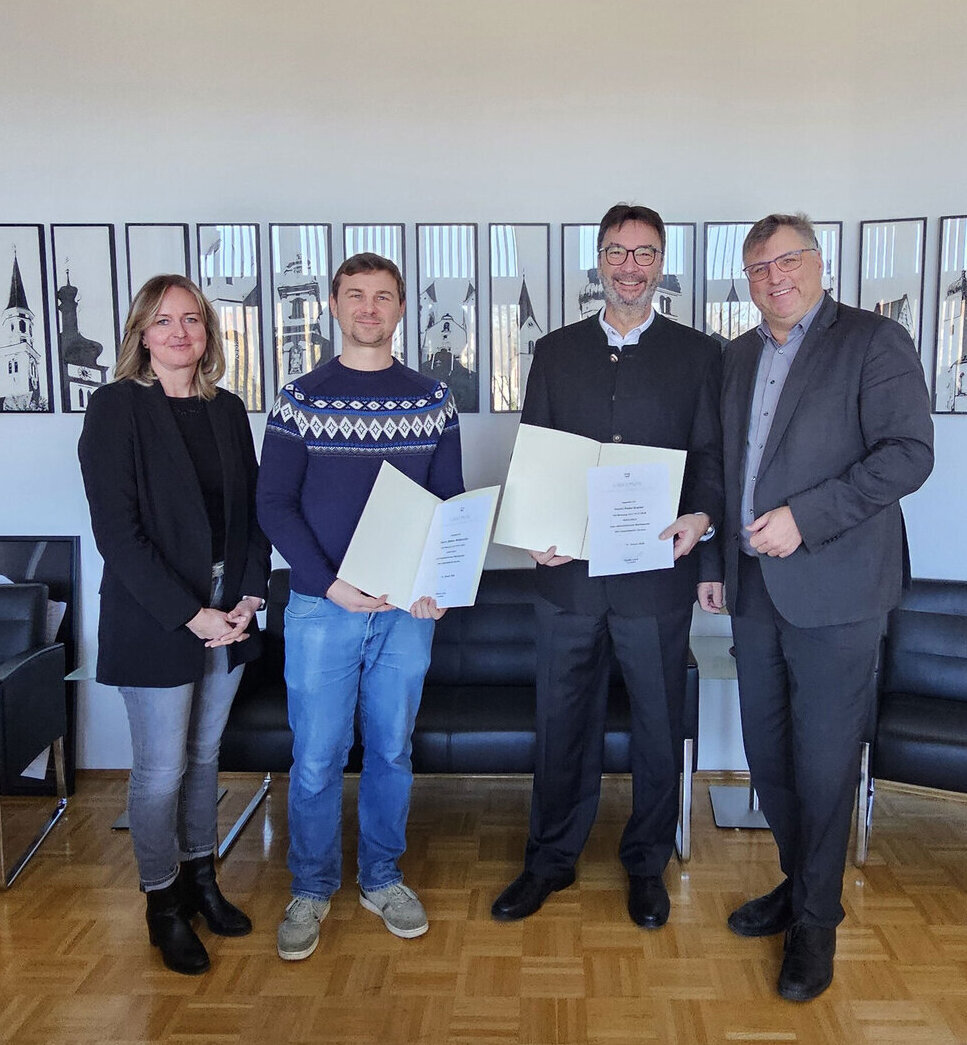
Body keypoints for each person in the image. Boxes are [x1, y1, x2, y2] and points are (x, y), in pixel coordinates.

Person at [699, 213, 934, 1002]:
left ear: (817, 261)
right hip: (753, 588)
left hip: (837, 589)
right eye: (758, 268)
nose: (774, 277)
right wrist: (715, 564)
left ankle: (815, 921)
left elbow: (908, 454)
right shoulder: (736, 356)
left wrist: (805, 516)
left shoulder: (871, 341)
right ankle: (797, 882)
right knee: (769, 756)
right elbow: (723, 466)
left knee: (825, 761)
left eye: (787, 260)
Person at [491, 204, 723, 929]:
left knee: (657, 724)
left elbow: (711, 458)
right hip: (567, 578)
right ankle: (549, 859)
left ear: (661, 264)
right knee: (561, 720)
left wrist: (701, 519)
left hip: (657, 576)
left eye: (644, 253)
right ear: (598, 261)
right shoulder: (556, 351)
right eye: (618, 252)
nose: (630, 266)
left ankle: (646, 863)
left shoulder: (700, 354)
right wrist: (533, 529)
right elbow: (534, 450)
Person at [258, 252, 464, 960]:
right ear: (334, 307)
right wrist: (328, 583)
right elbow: (273, 503)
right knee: (316, 757)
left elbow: (448, 506)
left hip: (406, 611)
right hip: (323, 608)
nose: (369, 308)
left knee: (391, 751)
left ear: (401, 309)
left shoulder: (433, 399)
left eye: (382, 296)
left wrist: (439, 583)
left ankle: (381, 878)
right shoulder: (299, 399)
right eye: (355, 295)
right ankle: (311, 887)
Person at [78, 275, 270, 976]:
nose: (180, 332)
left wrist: (248, 596)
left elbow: (253, 512)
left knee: (204, 757)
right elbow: (117, 534)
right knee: (160, 770)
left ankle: (201, 882)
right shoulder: (116, 407)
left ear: (208, 332)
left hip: (229, 606)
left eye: (192, 319)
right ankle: (162, 903)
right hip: (157, 612)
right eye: (163, 321)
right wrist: (193, 614)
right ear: (141, 333)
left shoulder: (227, 409)